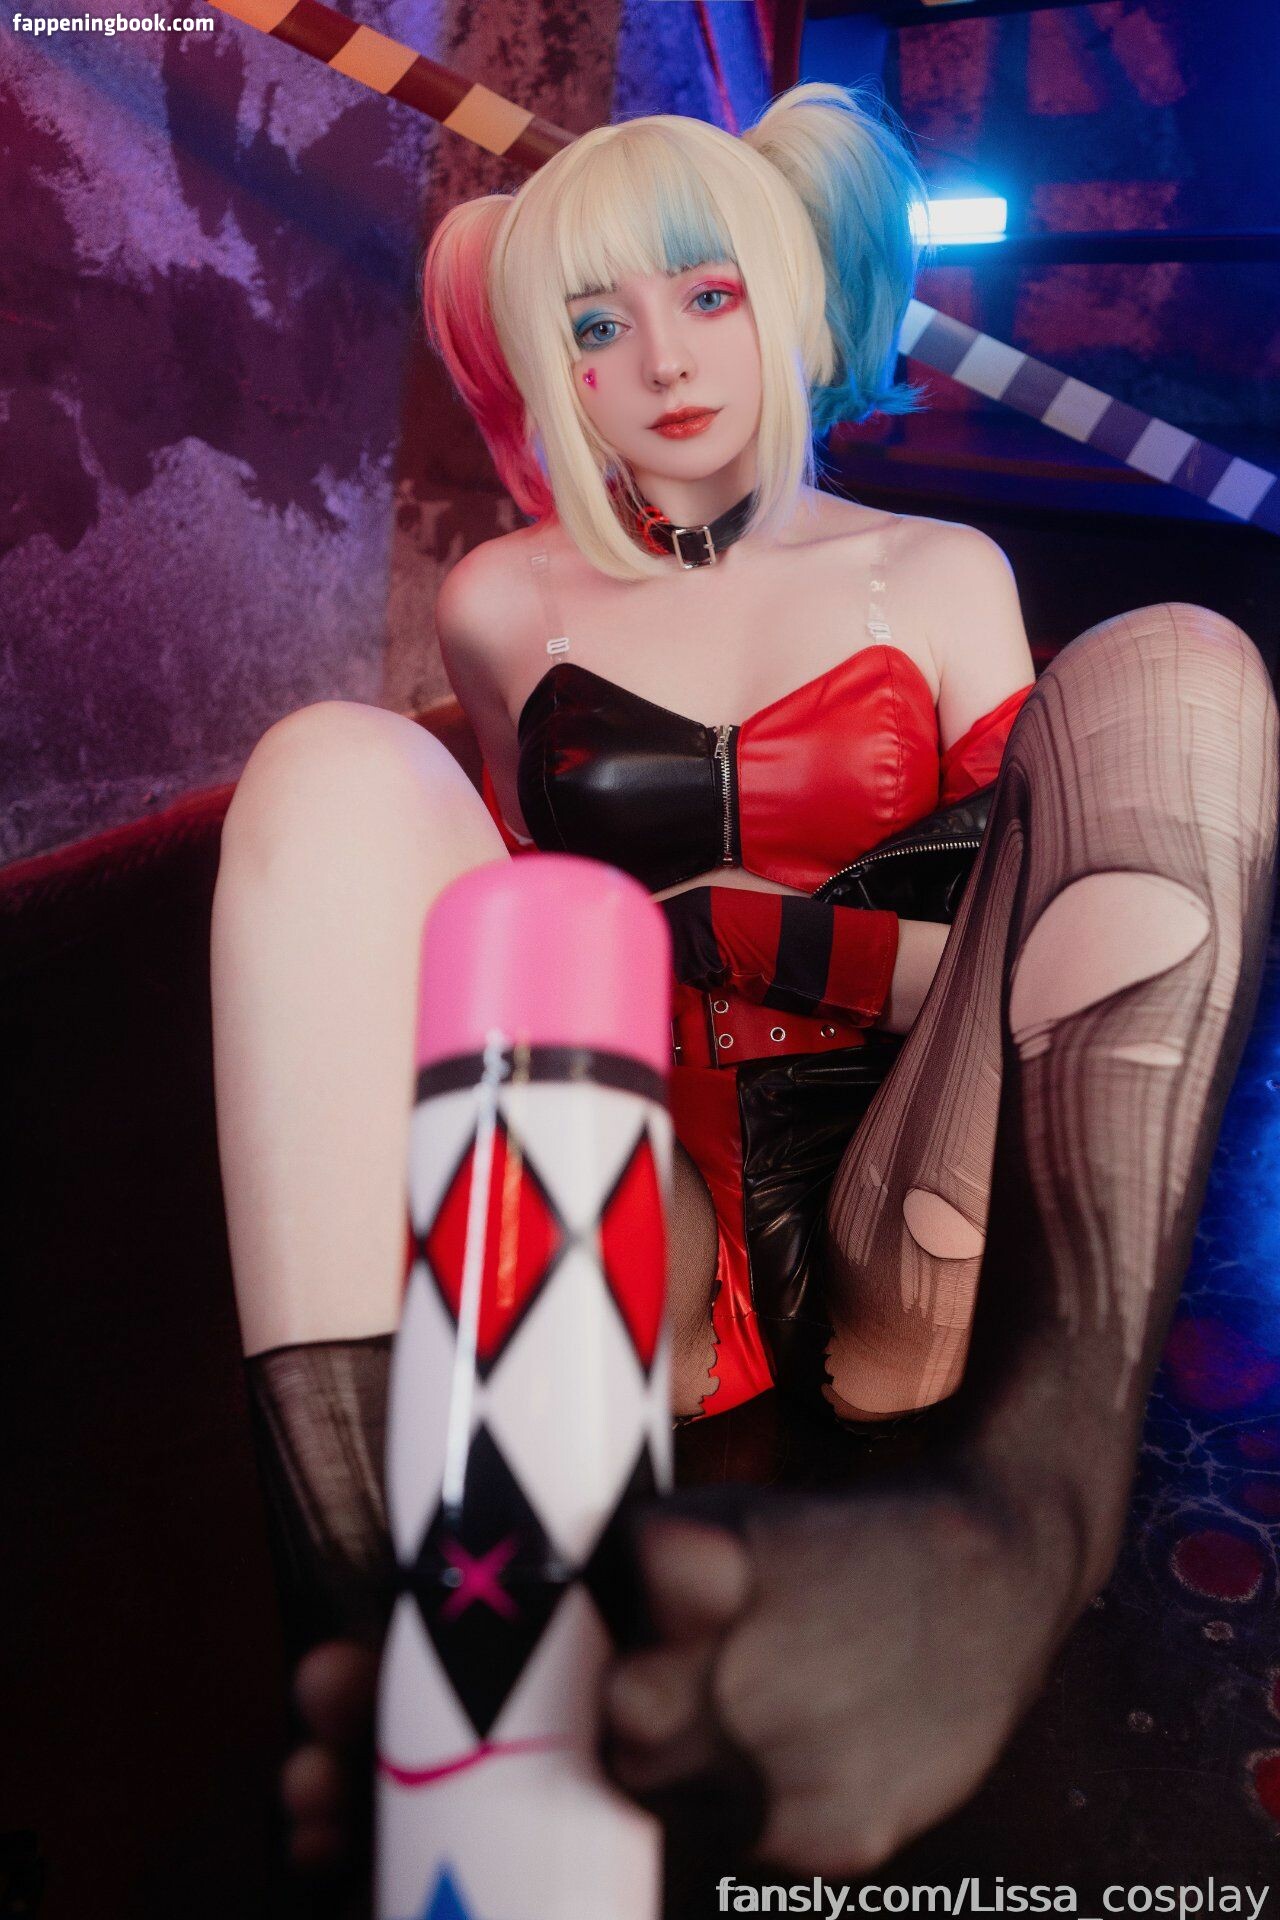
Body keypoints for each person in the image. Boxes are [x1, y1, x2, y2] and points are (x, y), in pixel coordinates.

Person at [209, 82, 1279, 1887]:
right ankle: (387, 1634)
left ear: (790, 293)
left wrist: (743, 927)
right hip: (651, 1193)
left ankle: (1023, 1532)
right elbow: (521, 943)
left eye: (708, 295)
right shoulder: (501, 604)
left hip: (909, 1185)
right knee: (323, 761)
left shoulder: (937, 573)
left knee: (1181, 663)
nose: (663, 361)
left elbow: (1012, 960)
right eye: (596, 325)